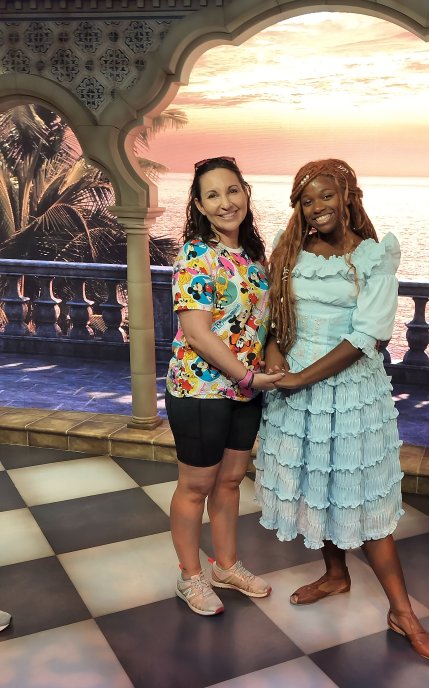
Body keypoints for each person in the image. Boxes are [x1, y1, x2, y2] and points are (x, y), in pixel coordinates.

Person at [255, 159, 429, 661]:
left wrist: (302, 377)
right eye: (306, 200)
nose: (316, 208)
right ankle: (336, 575)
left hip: (348, 391)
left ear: (348, 197)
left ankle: (402, 612)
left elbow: (368, 336)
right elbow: (275, 314)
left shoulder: (372, 258)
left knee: (362, 499)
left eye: (325, 196)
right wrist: (275, 356)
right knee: (319, 486)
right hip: (296, 390)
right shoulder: (290, 250)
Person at [166, 156, 284, 616]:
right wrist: (248, 375)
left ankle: (226, 566)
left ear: (245, 193)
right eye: (212, 195)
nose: (225, 202)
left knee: (231, 481)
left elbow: (262, 321)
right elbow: (197, 333)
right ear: (199, 205)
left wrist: (265, 359)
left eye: (232, 190)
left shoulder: (253, 257)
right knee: (196, 486)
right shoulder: (197, 254)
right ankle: (190, 577)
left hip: (245, 390)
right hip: (200, 390)